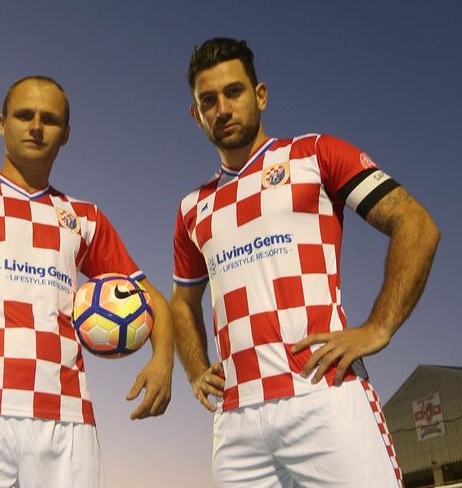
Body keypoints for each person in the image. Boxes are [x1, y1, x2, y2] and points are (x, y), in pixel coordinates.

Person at [170, 37, 439, 487]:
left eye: (234, 92)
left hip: (323, 394)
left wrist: (379, 327)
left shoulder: (315, 154)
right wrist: (197, 369)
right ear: (196, 115)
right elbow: (182, 302)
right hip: (236, 422)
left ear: (261, 96)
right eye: (208, 100)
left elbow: (416, 224)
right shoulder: (191, 208)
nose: (222, 108)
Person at [0, 75, 173, 488]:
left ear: (66, 135)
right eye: (24, 115)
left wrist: (163, 359)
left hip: (66, 418)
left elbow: (151, 299)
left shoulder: (84, 217)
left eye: (49, 119)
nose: (36, 127)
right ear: (2, 123)